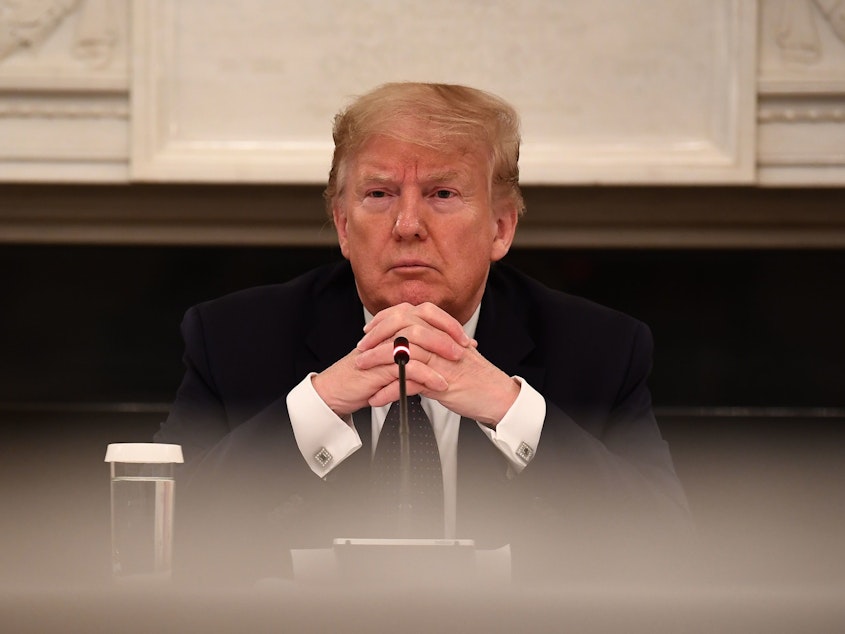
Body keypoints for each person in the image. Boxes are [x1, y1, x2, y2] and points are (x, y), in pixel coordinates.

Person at [155, 82, 694, 587]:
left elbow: (671, 552)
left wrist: (513, 411)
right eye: (379, 193)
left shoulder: (600, 348)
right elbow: (154, 542)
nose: (407, 224)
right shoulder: (233, 338)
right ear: (343, 225)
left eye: (442, 193)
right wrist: (316, 410)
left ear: (500, 228)